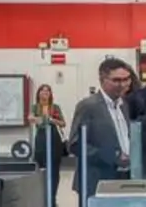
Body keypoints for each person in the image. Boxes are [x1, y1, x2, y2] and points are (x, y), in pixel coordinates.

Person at [69, 58, 132, 197]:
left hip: (122, 179)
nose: (122, 84)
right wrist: (113, 156)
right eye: (116, 80)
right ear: (102, 80)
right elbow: (75, 144)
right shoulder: (88, 106)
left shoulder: (124, 105)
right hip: (96, 181)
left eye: (126, 79)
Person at [29, 84, 66, 195]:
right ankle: (41, 192)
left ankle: (53, 193)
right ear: (38, 93)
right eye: (42, 91)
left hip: (54, 137)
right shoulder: (35, 107)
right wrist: (38, 119)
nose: (45, 93)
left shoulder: (55, 107)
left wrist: (52, 120)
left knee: (54, 167)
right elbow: (30, 118)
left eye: (47, 91)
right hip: (41, 137)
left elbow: (63, 123)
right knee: (40, 165)